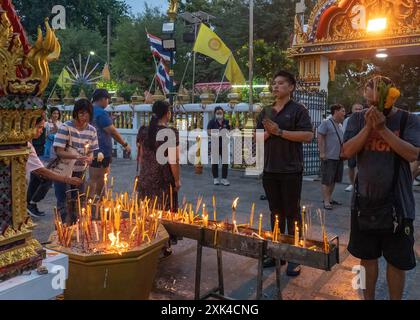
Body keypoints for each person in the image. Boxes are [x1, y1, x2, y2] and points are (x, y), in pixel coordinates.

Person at [343, 76, 420, 300]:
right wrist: (368, 127)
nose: (373, 107)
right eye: (369, 102)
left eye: (378, 102)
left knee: (397, 261)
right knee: (365, 258)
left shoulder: (407, 120)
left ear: (391, 97)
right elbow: (346, 151)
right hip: (364, 201)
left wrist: (383, 129)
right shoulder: (357, 119)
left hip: (398, 203)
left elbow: (412, 153)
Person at [256, 70, 314, 275]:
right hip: (270, 168)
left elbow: (308, 136)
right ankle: (276, 253)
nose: (276, 86)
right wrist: (266, 134)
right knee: (275, 212)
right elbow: (256, 137)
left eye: (281, 83)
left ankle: (294, 256)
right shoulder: (265, 111)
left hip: (290, 169)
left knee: (292, 213)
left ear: (291, 87)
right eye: (274, 83)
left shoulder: (298, 110)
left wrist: (280, 132)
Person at [137, 100, 180, 256]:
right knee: (163, 212)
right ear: (167, 114)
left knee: (147, 210)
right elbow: (173, 160)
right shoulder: (170, 133)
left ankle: (146, 241)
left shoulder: (144, 131)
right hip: (162, 179)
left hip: (146, 177)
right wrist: (177, 180)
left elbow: (141, 156)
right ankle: (163, 245)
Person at [27, 116, 82, 218]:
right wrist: (67, 179)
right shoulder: (25, 146)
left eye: (42, 127)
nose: (42, 131)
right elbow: (41, 171)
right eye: (39, 127)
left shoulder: (27, 144)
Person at [53, 99, 99, 224]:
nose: (84, 117)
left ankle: (75, 229)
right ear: (75, 113)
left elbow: (92, 151)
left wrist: (89, 157)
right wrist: (76, 157)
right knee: (63, 201)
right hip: (63, 171)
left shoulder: (91, 130)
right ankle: (63, 231)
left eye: (87, 114)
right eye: (81, 114)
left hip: (80, 171)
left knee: (78, 200)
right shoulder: (65, 127)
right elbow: (59, 151)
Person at [89, 89, 131, 198]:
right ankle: (88, 201)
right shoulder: (101, 112)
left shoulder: (90, 110)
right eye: (108, 100)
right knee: (97, 177)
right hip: (101, 150)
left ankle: (101, 198)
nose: (108, 103)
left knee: (99, 177)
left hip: (91, 148)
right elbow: (112, 131)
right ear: (103, 99)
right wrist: (124, 144)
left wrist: (110, 119)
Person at [317, 104, 346, 210]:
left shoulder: (340, 125)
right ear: (336, 111)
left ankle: (329, 198)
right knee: (327, 180)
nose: (344, 113)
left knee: (334, 179)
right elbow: (320, 136)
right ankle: (326, 201)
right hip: (329, 157)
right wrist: (322, 152)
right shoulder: (326, 123)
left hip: (339, 157)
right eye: (342, 111)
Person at [207, 106, 231, 186]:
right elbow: (208, 132)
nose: (219, 114)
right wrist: (217, 133)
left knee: (225, 163)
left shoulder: (226, 121)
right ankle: (216, 178)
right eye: (217, 113)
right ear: (215, 114)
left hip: (224, 144)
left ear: (223, 113)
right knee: (215, 162)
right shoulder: (212, 122)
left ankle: (224, 179)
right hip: (215, 145)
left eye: (220, 113)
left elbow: (229, 130)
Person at [343, 103, 364, 192]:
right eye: (356, 109)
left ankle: (360, 185)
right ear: (352, 110)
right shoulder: (347, 120)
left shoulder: (365, 120)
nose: (358, 111)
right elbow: (344, 133)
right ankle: (352, 184)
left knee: (362, 167)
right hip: (352, 146)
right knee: (351, 166)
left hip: (363, 147)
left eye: (360, 109)